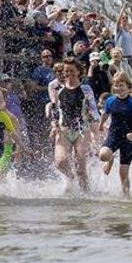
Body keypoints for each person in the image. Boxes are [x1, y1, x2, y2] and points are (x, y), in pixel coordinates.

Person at [98, 73, 132, 196]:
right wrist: (101, 124)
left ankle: (126, 197)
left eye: (122, 85)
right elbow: (105, 114)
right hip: (114, 135)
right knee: (103, 155)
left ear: (128, 86)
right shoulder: (110, 100)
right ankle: (110, 159)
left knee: (123, 173)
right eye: (116, 85)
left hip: (128, 139)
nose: (119, 88)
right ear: (113, 87)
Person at [53, 58, 93, 192]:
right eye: (66, 71)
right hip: (64, 130)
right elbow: (56, 110)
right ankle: (72, 179)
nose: (69, 73)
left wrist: (97, 128)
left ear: (78, 72)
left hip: (82, 130)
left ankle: (87, 194)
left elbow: (93, 109)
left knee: (81, 168)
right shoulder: (59, 90)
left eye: (72, 71)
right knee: (60, 162)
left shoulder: (86, 89)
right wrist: (54, 126)